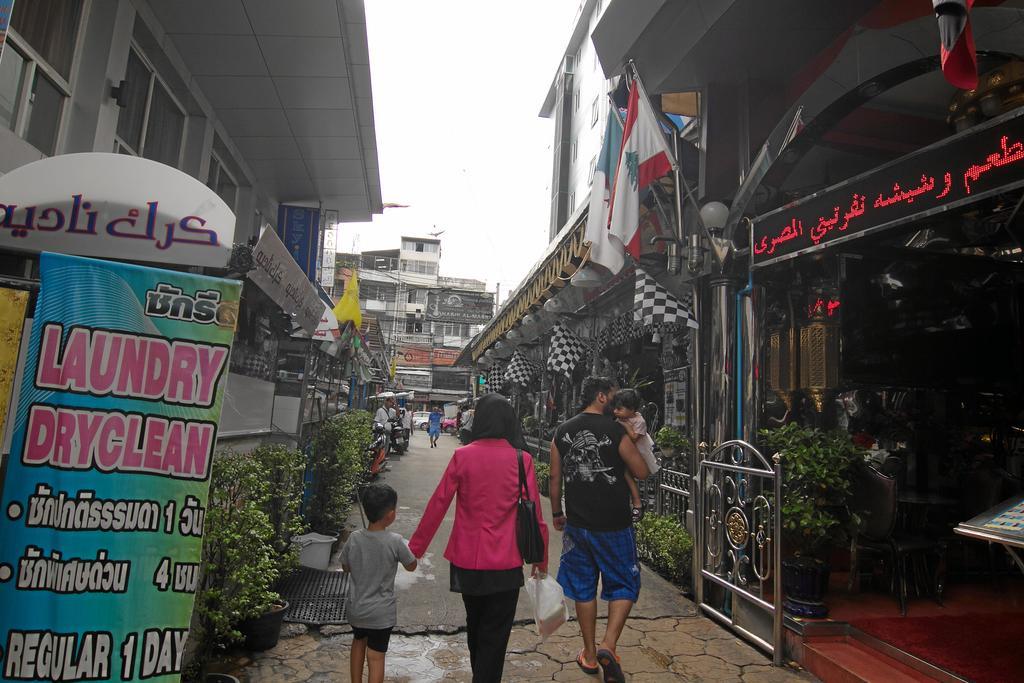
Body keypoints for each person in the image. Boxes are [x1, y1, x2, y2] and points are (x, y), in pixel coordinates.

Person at [409, 393, 549, 682]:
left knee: (476, 626)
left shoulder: (463, 455)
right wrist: (541, 559)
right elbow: (535, 515)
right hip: (506, 563)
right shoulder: (522, 460)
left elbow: (439, 503)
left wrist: (416, 549)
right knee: (495, 636)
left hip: (468, 561)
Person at [549, 376, 649, 683]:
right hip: (615, 523)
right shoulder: (615, 430)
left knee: (583, 587)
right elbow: (641, 471)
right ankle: (609, 645)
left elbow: (554, 479)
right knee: (624, 583)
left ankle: (590, 655)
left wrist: (557, 512)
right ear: (602, 397)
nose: (618, 403)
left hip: (577, 523)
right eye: (614, 396)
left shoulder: (561, 432)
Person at [339, 484, 417, 683]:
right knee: (375, 657)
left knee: (358, 642)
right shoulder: (395, 541)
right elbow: (411, 566)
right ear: (390, 515)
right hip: (381, 614)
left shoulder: (354, 539)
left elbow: (346, 567)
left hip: (357, 609)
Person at [612, 388, 660, 523]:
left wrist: (625, 426)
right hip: (627, 453)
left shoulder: (639, 421)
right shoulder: (622, 418)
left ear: (632, 409)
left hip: (639, 454)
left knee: (626, 473)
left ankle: (637, 502)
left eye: (619, 409)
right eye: (615, 408)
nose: (616, 412)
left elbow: (633, 438)